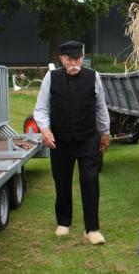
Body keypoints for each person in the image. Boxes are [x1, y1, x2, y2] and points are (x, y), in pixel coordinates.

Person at [34, 40, 110, 245]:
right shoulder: (51, 78)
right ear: (62, 59)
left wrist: (105, 132)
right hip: (60, 141)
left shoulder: (94, 77)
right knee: (62, 181)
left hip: (87, 138)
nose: (75, 63)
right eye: (71, 59)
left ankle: (92, 229)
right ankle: (63, 222)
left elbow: (101, 107)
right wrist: (45, 128)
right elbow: (41, 109)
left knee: (90, 181)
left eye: (78, 58)